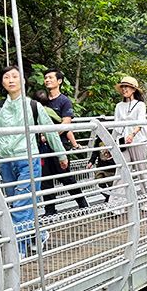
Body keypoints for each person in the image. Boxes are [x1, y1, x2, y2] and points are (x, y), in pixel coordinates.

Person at [0, 65, 67, 256]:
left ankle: (19, 250)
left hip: (28, 159)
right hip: (7, 161)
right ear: (2, 82)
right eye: (7, 77)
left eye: (15, 76)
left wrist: (61, 154)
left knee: (21, 204)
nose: (11, 80)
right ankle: (39, 234)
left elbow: (50, 131)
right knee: (19, 202)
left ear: (22, 81)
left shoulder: (33, 106)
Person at [38, 68, 88, 217]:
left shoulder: (64, 101)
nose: (47, 80)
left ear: (59, 81)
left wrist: (48, 136)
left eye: (51, 78)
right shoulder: (41, 101)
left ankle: (83, 204)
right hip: (43, 147)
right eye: (46, 78)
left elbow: (65, 124)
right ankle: (50, 211)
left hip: (60, 145)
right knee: (45, 179)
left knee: (65, 176)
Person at [111, 76, 147, 204]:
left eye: (126, 86)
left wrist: (132, 134)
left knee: (141, 172)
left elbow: (141, 122)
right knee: (121, 172)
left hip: (137, 141)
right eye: (122, 87)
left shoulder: (140, 105)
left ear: (133, 89)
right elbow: (116, 127)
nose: (124, 89)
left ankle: (146, 201)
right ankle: (117, 205)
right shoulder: (119, 106)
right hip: (122, 142)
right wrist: (110, 144)